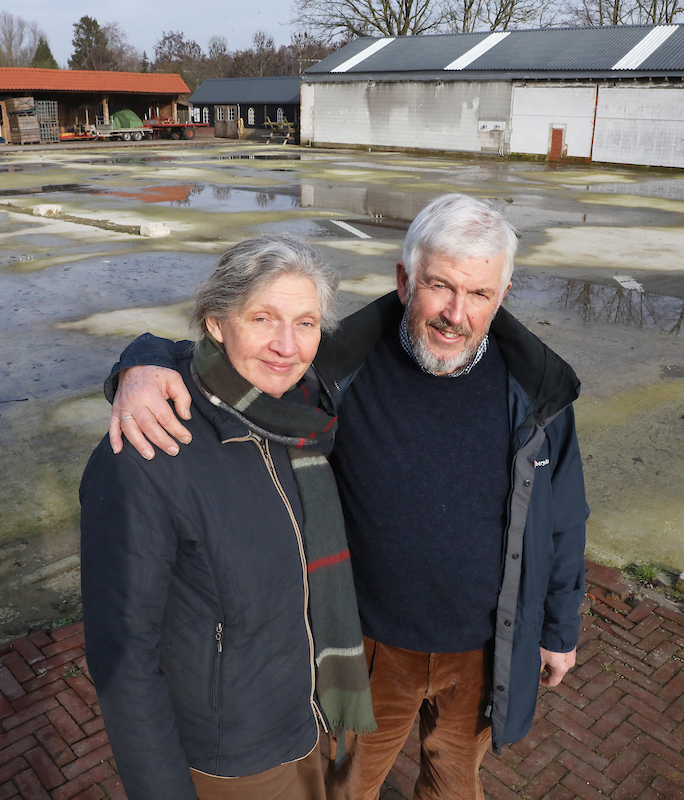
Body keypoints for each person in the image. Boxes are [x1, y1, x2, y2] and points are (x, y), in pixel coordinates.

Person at [103, 194, 588, 800]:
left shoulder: (537, 393)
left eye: (480, 295)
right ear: (404, 279)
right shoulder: (339, 368)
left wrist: (560, 627)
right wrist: (143, 364)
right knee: (349, 790)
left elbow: (564, 515)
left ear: (503, 293)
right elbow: (237, 364)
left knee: (454, 786)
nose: (455, 314)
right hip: (370, 649)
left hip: (487, 649)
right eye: (439, 286)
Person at [80, 235, 376, 800]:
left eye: (306, 323)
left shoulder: (304, 417)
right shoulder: (152, 447)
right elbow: (124, 658)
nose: (286, 345)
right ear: (216, 323)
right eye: (262, 317)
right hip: (238, 755)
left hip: (315, 718)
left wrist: (142, 353)